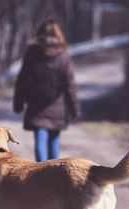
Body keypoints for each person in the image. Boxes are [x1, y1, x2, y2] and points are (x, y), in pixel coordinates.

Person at [13, 20, 80, 161]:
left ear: (39, 34)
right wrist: (74, 109)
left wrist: (18, 102)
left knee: (40, 138)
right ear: (58, 34)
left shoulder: (32, 53)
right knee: (54, 140)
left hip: (36, 104)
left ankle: (41, 173)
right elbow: (70, 85)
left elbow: (23, 79)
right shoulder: (63, 55)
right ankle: (53, 173)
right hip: (57, 105)